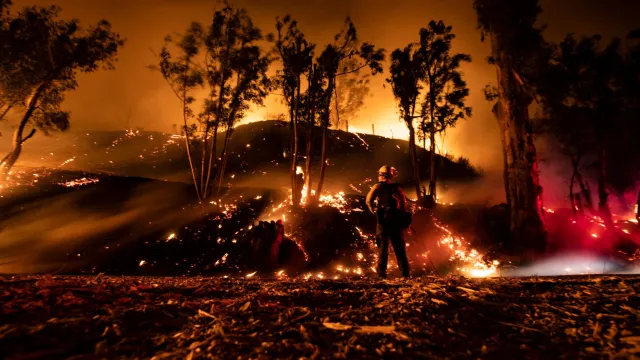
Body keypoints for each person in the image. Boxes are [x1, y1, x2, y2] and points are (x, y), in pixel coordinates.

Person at [365, 165, 410, 279]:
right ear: (391, 176)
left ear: (381, 175)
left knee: (383, 250)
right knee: (400, 249)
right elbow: (404, 205)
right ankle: (405, 275)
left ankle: (381, 276)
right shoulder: (397, 188)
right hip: (396, 222)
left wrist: (375, 212)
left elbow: (368, 201)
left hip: (383, 222)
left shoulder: (378, 187)